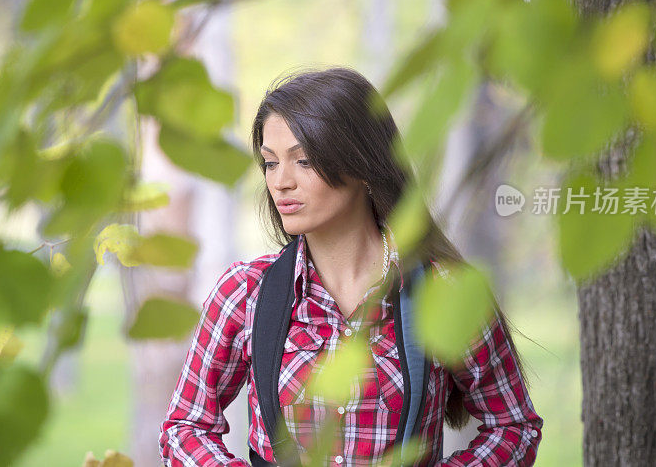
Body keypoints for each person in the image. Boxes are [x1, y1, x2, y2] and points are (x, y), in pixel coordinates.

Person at [159, 67, 543, 466]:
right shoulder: (244, 293)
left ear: (360, 163)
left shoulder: (445, 291)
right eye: (271, 163)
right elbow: (185, 427)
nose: (280, 182)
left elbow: (513, 425)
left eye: (303, 161)